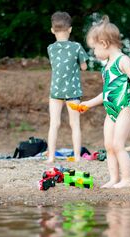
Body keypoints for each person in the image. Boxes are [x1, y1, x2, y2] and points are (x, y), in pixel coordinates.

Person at [80, 16, 130, 188]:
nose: (94, 53)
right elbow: (106, 94)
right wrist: (87, 104)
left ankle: (127, 180)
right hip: (111, 111)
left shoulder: (123, 60)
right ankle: (114, 178)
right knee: (109, 145)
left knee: (118, 144)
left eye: (94, 48)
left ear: (104, 43)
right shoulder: (106, 68)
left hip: (124, 108)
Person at [46, 11, 89, 163]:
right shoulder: (76, 47)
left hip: (56, 90)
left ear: (52, 30)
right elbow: (84, 67)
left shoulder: (50, 48)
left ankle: (51, 157)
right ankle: (77, 157)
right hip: (72, 91)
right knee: (74, 124)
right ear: (70, 29)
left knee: (54, 123)